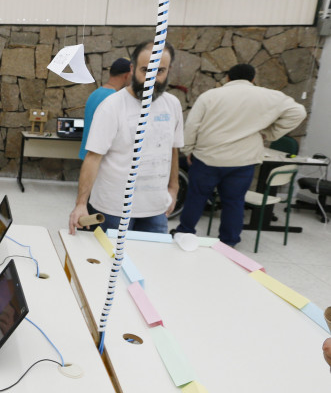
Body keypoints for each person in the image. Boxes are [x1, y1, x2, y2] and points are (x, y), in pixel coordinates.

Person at [174, 63, 306, 246]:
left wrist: (188, 149)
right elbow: (298, 112)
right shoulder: (269, 96)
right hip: (243, 161)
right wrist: (271, 133)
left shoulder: (210, 96)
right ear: (253, 79)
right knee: (234, 202)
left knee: (196, 197)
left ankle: (185, 233)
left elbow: (192, 126)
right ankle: (229, 242)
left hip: (208, 158)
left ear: (228, 77)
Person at [69, 41, 183, 234]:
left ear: (169, 70)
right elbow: (93, 157)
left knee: (151, 261)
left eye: (160, 71)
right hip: (114, 208)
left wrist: (173, 188)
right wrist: (81, 203)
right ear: (132, 69)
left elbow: (172, 148)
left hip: (155, 208)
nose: (151, 78)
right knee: (110, 261)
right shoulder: (112, 106)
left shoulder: (172, 105)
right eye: (145, 70)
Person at [79, 57, 133, 160]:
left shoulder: (94, 94)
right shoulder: (115, 99)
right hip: (101, 159)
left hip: (88, 156)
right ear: (127, 75)